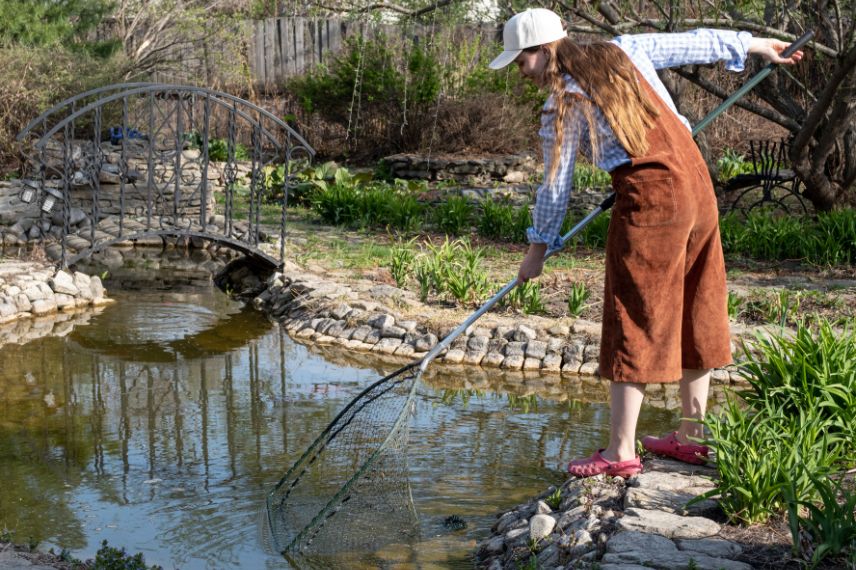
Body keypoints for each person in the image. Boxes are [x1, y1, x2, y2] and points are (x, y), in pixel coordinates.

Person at [489, 8, 803, 478]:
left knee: (633, 312)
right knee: (697, 302)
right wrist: (756, 45)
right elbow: (695, 42)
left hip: (652, 201)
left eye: (521, 61)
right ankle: (693, 436)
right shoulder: (624, 49)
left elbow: (555, 187)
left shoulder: (563, 103)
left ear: (545, 51)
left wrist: (537, 251)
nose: (520, 71)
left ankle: (620, 451)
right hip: (697, 187)